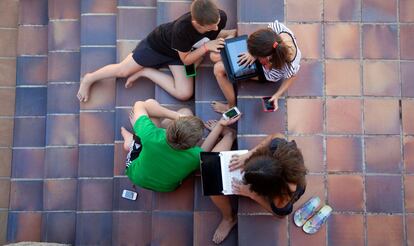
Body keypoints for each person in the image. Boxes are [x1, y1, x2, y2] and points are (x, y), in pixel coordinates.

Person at [77, 0, 236, 103]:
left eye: (217, 24)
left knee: (184, 93)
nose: (216, 27)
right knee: (123, 71)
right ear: (196, 22)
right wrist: (207, 48)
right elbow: (186, 59)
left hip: (182, 52)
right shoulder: (182, 30)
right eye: (212, 26)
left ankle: (145, 72)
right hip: (158, 47)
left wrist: (223, 34)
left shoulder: (219, 18)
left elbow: (209, 35)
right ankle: (90, 78)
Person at [121, 99, 240, 192]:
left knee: (151, 104)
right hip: (166, 187)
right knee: (184, 112)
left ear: (171, 127)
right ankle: (132, 141)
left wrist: (179, 117)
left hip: (136, 175)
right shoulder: (195, 156)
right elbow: (204, 151)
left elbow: (139, 105)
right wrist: (220, 125)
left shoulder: (151, 136)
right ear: (193, 144)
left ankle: (133, 141)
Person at [209, 133, 307, 244]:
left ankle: (229, 218)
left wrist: (252, 194)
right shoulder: (279, 148)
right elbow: (275, 135)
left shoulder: (283, 198)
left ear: (264, 190)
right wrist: (249, 155)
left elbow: (280, 215)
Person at [210, 20, 301, 113]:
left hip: (265, 72)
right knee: (214, 56)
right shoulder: (277, 29)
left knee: (218, 68)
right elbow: (266, 33)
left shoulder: (291, 63)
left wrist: (277, 95)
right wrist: (251, 53)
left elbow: (292, 76)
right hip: (258, 52)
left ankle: (231, 106)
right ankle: (237, 41)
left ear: (267, 57)